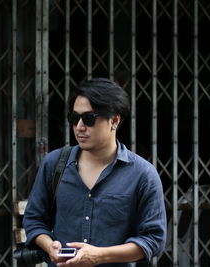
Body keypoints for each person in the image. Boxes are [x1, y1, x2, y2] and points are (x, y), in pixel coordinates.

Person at [23, 78, 167, 267]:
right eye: (74, 118)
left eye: (89, 119)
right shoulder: (54, 164)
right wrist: (49, 245)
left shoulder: (142, 174)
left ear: (114, 120)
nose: (80, 127)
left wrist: (100, 256)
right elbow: (34, 218)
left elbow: (154, 239)